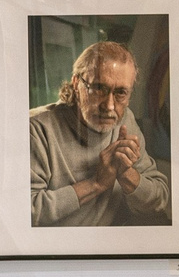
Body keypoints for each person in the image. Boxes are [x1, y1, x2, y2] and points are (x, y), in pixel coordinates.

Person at [29, 39, 170, 228]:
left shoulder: (124, 119)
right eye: (98, 89)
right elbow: (24, 212)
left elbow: (159, 199)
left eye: (120, 93)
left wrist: (127, 174)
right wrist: (95, 184)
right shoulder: (36, 128)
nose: (109, 106)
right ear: (76, 83)